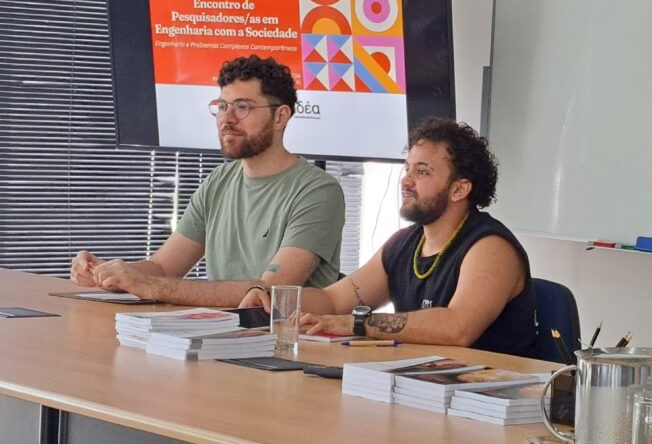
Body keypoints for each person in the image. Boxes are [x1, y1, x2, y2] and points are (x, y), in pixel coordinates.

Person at [242, 118, 538, 357]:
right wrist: (275, 300)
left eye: (422, 172)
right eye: (407, 168)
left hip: (487, 407)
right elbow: (334, 300)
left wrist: (356, 323)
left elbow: (458, 327)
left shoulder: (490, 247)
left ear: (459, 189)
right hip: (423, 389)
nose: (406, 181)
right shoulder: (405, 242)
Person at [70, 55, 345, 306]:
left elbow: (268, 291)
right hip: (218, 336)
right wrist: (109, 273)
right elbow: (164, 268)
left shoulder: (318, 191)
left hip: (284, 348)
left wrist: (149, 286)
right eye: (222, 107)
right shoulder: (219, 181)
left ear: (280, 117)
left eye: (243, 107)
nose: (227, 119)